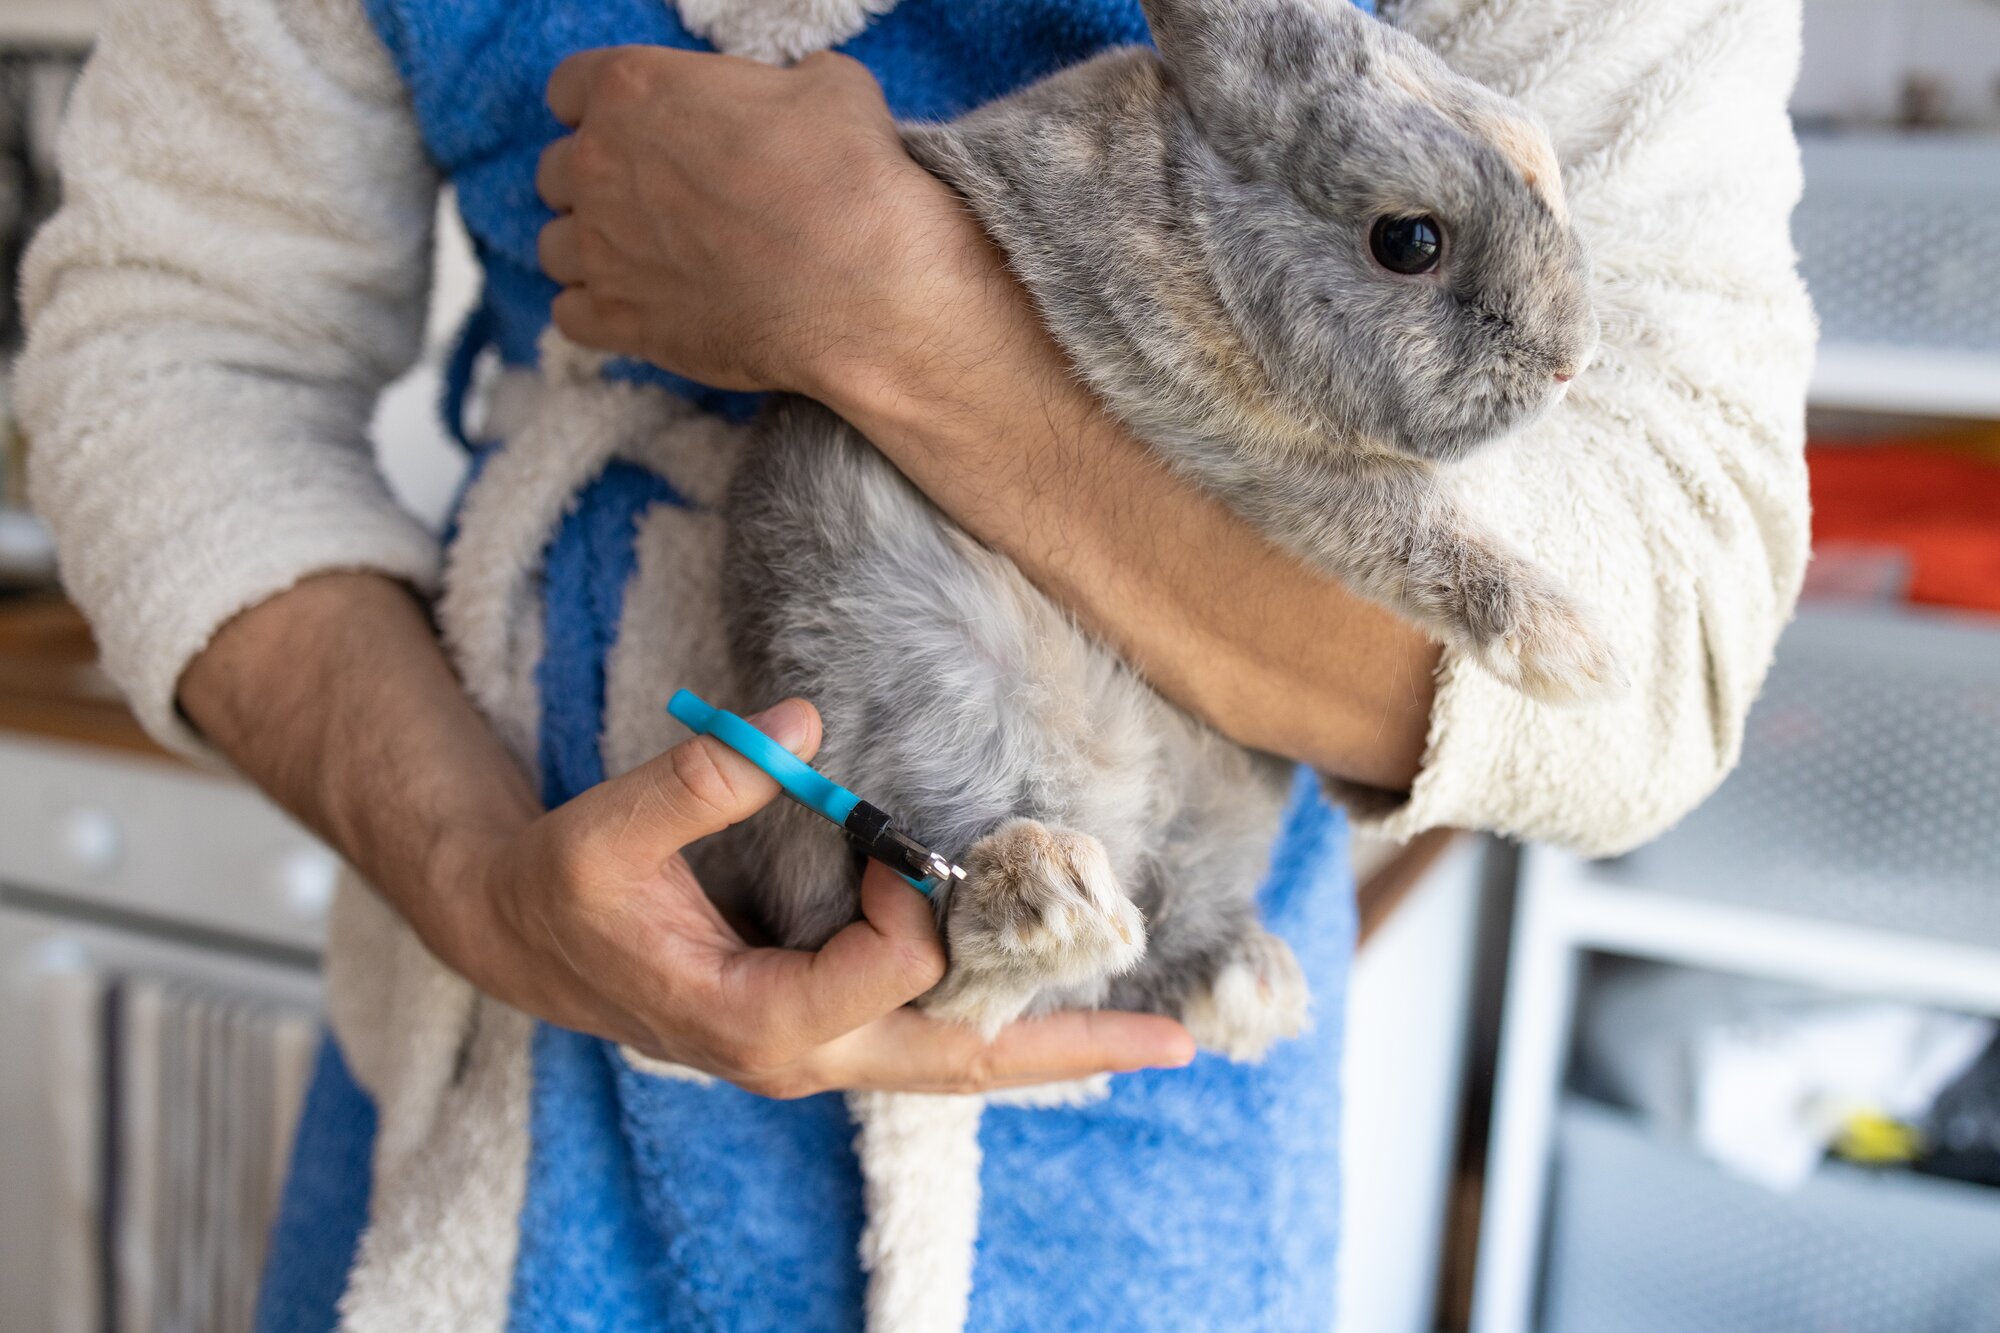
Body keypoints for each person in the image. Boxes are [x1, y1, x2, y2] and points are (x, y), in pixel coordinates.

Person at [16, 0, 1815, 1326]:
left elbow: (1662, 645)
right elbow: (170, 348)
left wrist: (898, 316)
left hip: (1134, 1127)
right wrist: (474, 875)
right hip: (511, 1050)